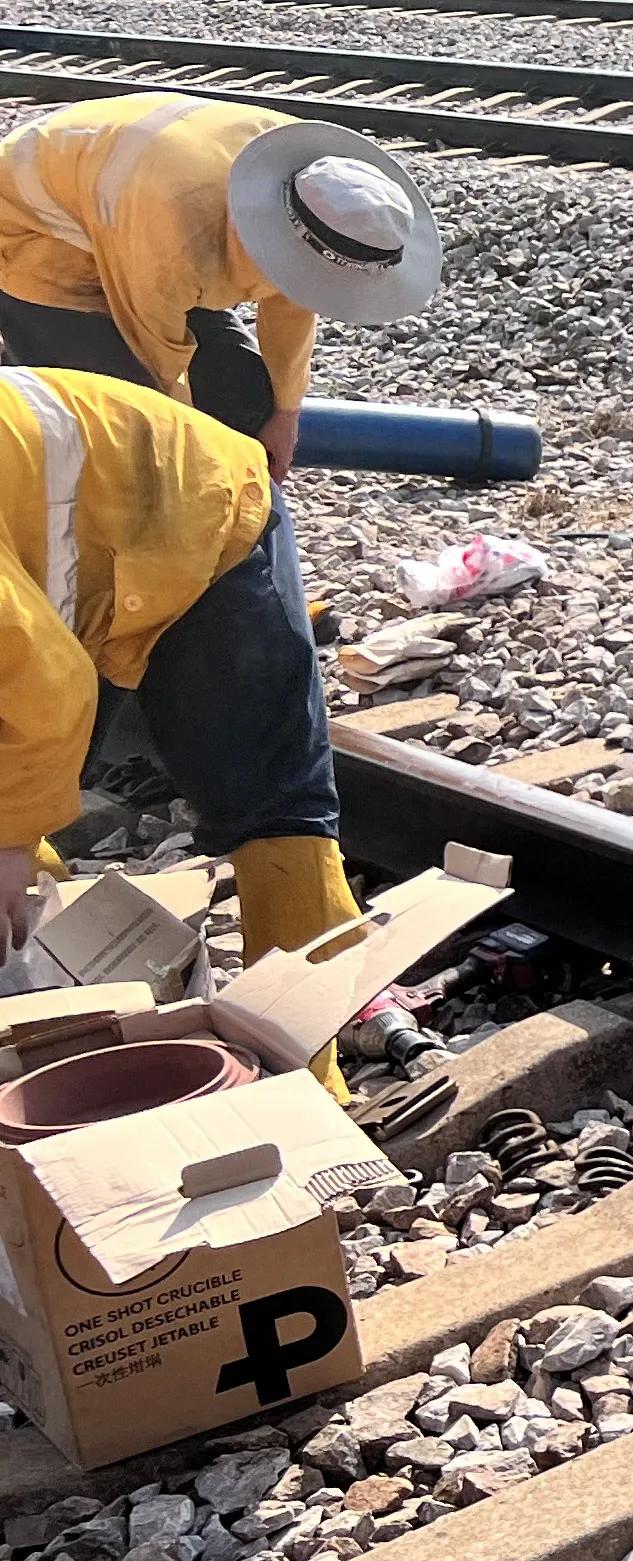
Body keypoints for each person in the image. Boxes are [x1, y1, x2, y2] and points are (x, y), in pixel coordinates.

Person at [3, 367, 359, 1081]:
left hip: (205, 511)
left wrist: (7, 842)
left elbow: (50, 690)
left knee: (273, 812)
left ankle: (313, 1085)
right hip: (92, 562)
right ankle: (60, 1019)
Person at [0, 94, 442, 471]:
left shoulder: (312, 185)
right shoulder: (175, 233)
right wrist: (198, 468)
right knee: (125, 428)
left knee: (244, 399)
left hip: (129, 223)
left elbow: (295, 299)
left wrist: (286, 415)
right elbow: (158, 370)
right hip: (32, 236)